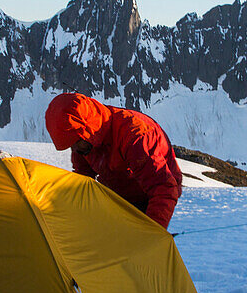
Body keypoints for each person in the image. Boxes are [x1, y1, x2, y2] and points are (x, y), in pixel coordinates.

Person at [44, 92, 183, 228]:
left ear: (88, 129)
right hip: (120, 195)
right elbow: (83, 180)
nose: (74, 150)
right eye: (70, 145)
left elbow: (163, 188)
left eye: (75, 142)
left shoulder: (134, 136)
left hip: (150, 197)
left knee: (136, 244)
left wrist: (152, 236)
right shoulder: (83, 143)